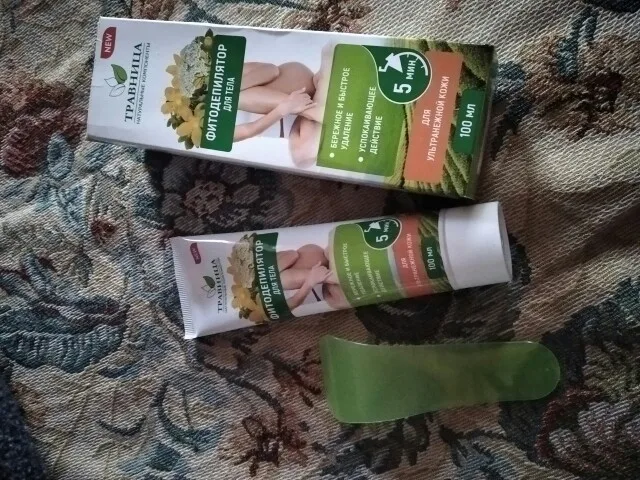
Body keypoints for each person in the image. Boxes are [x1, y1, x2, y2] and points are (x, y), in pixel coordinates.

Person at [276, 243, 350, 312]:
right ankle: (329, 277)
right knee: (341, 302)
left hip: (324, 256)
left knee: (282, 280)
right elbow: (293, 303)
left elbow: (292, 254)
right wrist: (310, 282)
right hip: (324, 276)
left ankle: (330, 276)